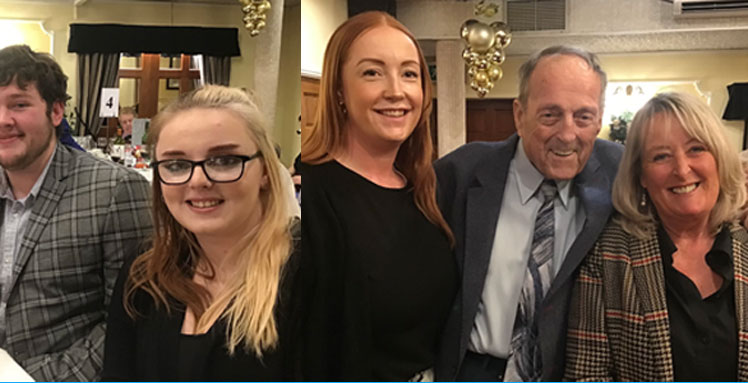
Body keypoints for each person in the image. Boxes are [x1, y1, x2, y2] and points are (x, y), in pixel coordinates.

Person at [0, 44, 154, 381]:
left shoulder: (116, 192)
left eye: (19, 105)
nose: (2, 121)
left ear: (56, 112)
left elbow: (130, 320)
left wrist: (29, 378)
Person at [433, 45, 623, 381]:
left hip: (569, 374)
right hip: (474, 371)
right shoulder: (460, 173)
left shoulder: (620, 173)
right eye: (550, 115)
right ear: (519, 115)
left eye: (583, 116)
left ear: (599, 119)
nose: (567, 134)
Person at [293, 11, 456, 380]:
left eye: (409, 73)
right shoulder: (315, 195)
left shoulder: (426, 190)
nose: (396, 90)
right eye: (372, 72)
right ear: (338, 90)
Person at [103, 85, 296, 380]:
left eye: (224, 160)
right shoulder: (145, 272)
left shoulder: (314, 271)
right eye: (177, 164)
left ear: (266, 172)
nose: (198, 180)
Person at [564, 92, 748, 380]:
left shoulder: (745, 244)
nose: (682, 169)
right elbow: (586, 375)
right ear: (641, 175)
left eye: (696, 149)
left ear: (720, 159)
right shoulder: (609, 254)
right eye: (661, 156)